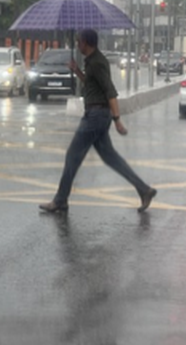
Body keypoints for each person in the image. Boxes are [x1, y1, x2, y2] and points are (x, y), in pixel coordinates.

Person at [39, 28, 157, 214]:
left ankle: (60, 200)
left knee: (72, 156)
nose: (78, 45)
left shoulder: (97, 63)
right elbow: (92, 84)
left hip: (95, 116)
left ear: (87, 42)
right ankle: (144, 190)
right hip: (98, 115)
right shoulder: (93, 62)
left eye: (79, 41)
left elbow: (110, 90)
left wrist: (117, 119)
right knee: (111, 158)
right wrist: (77, 70)